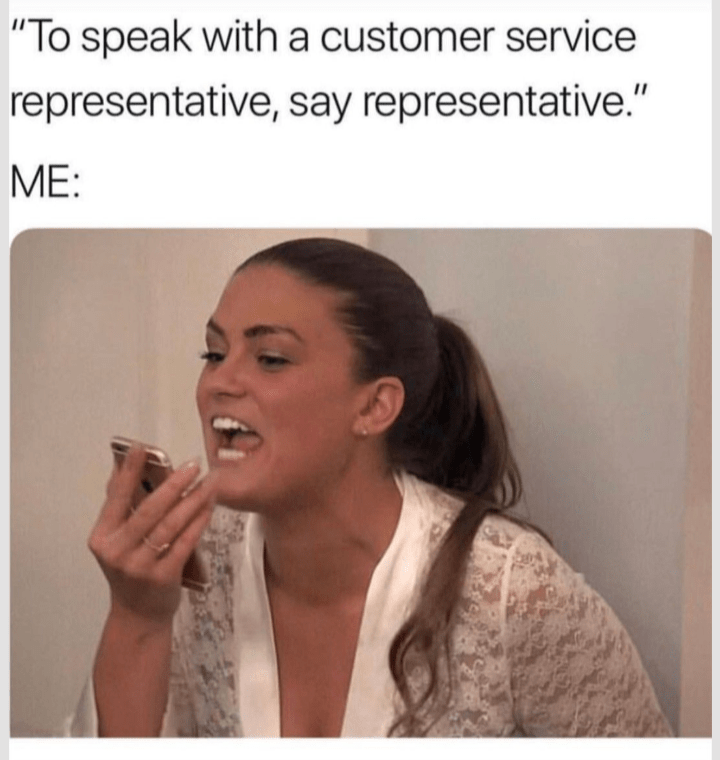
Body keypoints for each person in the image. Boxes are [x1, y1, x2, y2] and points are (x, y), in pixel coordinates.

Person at [68, 238, 672, 737]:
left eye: (270, 358)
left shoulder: (514, 593)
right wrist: (137, 619)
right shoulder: (189, 566)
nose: (219, 383)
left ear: (375, 405)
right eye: (214, 353)